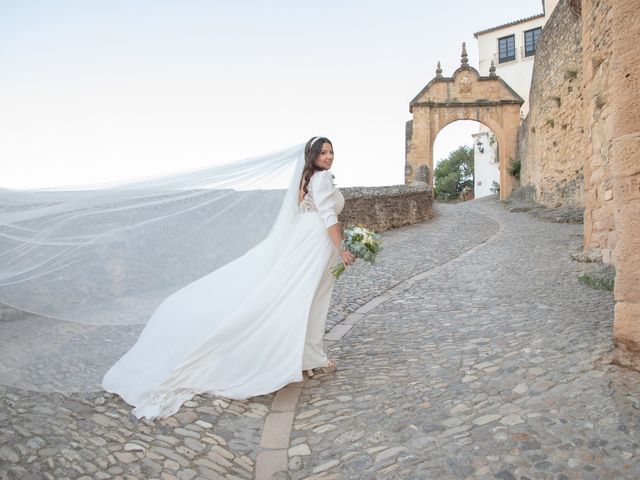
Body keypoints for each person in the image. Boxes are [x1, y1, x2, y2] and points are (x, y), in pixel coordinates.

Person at [102, 136, 356, 418]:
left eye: (331, 152)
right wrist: (342, 248)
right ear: (313, 156)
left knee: (300, 298)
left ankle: (308, 356)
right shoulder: (321, 178)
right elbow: (328, 215)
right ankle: (305, 356)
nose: (329, 156)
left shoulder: (306, 179)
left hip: (305, 238)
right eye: (323, 152)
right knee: (307, 299)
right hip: (315, 241)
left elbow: (303, 209)